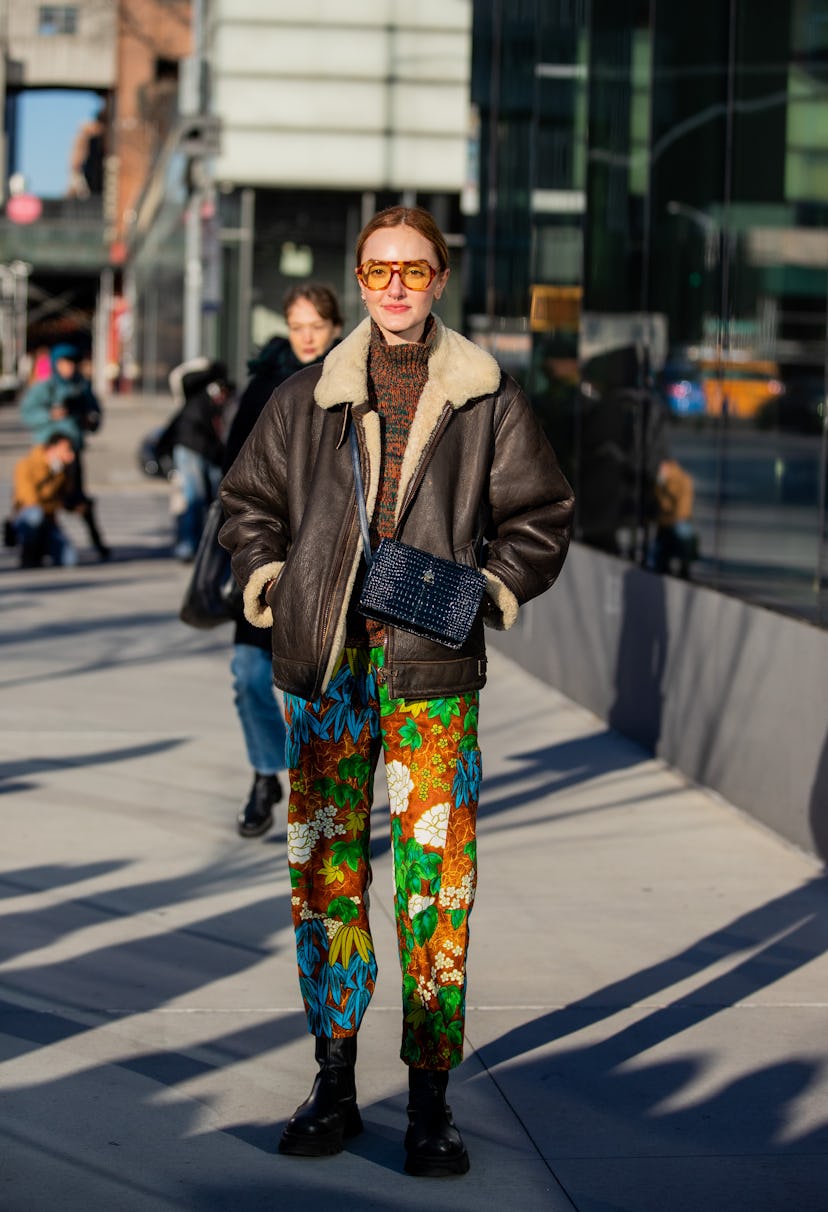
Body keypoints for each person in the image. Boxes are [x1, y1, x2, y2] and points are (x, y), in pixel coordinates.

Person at [219, 205, 574, 1177]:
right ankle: (335, 1081)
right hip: (330, 672)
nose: (396, 288)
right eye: (380, 271)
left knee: (435, 890)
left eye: (414, 271)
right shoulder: (309, 395)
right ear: (362, 279)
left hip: (431, 671)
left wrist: (491, 588)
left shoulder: (487, 396)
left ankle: (430, 1102)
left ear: (441, 277)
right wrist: (267, 580)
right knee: (323, 875)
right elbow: (247, 500)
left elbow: (542, 510)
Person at [224, 284, 343, 838]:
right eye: (297, 325)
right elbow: (235, 480)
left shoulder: (352, 385)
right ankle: (266, 772)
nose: (306, 336)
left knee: (324, 691)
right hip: (266, 562)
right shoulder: (263, 387)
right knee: (250, 674)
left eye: (316, 325)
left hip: (328, 565)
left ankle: (331, 811)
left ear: (335, 327)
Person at [19, 343, 110, 560]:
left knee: (78, 500)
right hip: (47, 452)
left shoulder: (81, 386)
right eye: (64, 363)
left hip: (73, 452)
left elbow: (95, 415)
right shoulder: (45, 387)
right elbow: (27, 413)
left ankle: (97, 542)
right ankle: (33, 547)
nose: (69, 368)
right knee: (41, 501)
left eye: (72, 363)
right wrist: (50, 415)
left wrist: (88, 419)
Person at [157, 360, 233, 561]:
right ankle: (188, 545)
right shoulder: (198, 394)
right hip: (191, 448)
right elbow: (182, 378)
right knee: (194, 497)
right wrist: (208, 367)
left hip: (204, 449)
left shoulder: (217, 401)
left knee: (209, 498)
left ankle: (205, 544)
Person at [10, 431, 78, 567]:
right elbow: (30, 499)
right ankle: (29, 552)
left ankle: (43, 547)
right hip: (27, 517)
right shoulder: (26, 465)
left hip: (49, 520)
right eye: (66, 449)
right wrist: (50, 472)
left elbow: (65, 498)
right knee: (35, 515)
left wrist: (68, 471)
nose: (70, 454)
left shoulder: (61, 470)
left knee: (69, 559)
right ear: (53, 448)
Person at [651, 456, 697, 578]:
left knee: (683, 542)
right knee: (660, 548)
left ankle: (683, 568)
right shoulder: (663, 480)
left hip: (677, 519)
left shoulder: (682, 479)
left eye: (663, 467)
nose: (661, 470)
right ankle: (663, 566)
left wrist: (676, 517)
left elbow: (682, 503)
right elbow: (659, 501)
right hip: (666, 520)